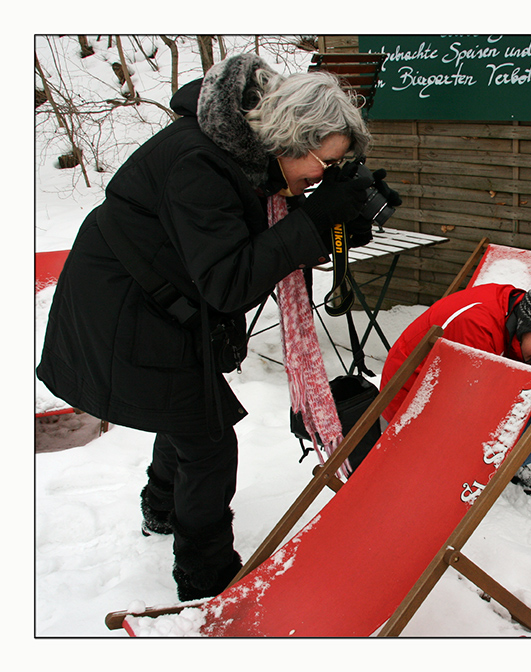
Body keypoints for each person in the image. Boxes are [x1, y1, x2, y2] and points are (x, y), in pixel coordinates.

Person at [36, 53, 399, 601]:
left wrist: (334, 225)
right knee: (206, 438)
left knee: (186, 410)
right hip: (124, 307)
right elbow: (230, 281)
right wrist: (314, 221)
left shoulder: (244, 151)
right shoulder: (200, 163)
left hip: (162, 302)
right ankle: (205, 577)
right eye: (321, 166)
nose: (318, 179)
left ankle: (161, 508)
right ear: (289, 137)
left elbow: (256, 245)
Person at [379, 278, 531, 497]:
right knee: (530, 442)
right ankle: (445, 471)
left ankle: (483, 465)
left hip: (451, 396)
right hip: (409, 409)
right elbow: (474, 409)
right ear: (530, 323)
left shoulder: (514, 314)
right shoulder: (476, 326)